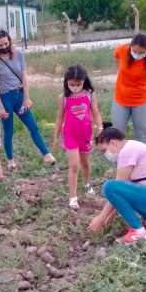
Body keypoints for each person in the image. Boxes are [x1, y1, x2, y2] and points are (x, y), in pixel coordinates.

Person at [87, 127, 146, 244]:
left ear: (113, 143)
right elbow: (123, 193)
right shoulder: (133, 147)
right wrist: (110, 216)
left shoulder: (127, 151)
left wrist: (101, 218)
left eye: (104, 150)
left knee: (109, 187)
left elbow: (116, 189)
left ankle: (139, 233)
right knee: (126, 188)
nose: (105, 155)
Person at [0, 30, 55, 171]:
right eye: (0, 45)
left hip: (20, 96)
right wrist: (0, 107)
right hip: (5, 98)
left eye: (6, 43)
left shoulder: (19, 55)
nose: (4, 46)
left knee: (33, 127)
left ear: (10, 41)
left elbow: (24, 77)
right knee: (8, 131)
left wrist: (26, 97)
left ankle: (47, 155)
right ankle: (10, 161)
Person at [52, 64, 104, 210]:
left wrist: (100, 129)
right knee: (74, 165)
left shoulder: (89, 94)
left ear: (84, 81)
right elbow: (59, 117)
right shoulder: (63, 98)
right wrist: (55, 137)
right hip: (70, 136)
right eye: (71, 84)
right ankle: (73, 197)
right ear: (66, 82)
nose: (74, 87)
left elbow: (96, 113)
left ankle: (86, 185)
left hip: (86, 135)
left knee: (86, 164)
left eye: (78, 84)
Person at [112, 32, 146, 145]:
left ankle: (141, 162)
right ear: (131, 45)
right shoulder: (122, 49)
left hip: (142, 101)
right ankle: (119, 162)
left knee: (141, 134)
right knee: (117, 134)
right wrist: (121, 70)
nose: (137, 54)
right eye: (135, 51)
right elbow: (116, 55)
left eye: (141, 52)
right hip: (121, 98)